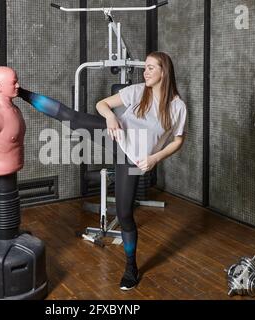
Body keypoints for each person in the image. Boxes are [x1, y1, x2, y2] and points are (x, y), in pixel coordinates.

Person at [18, 51, 187, 290]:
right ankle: (21, 92)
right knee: (71, 117)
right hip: (117, 137)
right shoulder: (139, 91)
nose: (145, 71)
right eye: (145, 67)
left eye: (151, 67)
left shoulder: (177, 107)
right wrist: (110, 117)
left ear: (164, 71)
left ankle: (131, 267)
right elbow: (102, 104)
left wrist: (155, 158)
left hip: (134, 160)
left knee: (124, 213)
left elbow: (178, 140)